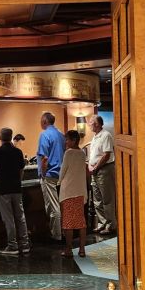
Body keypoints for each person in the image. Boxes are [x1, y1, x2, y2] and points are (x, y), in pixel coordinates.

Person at [0, 127, 30, 256]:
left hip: (3, 189)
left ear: (0, 137)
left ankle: (12, 245)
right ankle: (25, 245)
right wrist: (18, 181)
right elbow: (21, 170)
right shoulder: (18, 152)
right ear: (11, 137)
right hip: (16, 188)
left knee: (8, 218)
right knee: (20, 217)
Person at [37, 111, 65, 243]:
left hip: (49, 174)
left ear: (45, 121)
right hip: (61, 174)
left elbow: (44, 158)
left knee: (53, 207)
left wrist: (43, 174)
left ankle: (57, 235)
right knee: (59, 205)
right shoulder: (61, 134)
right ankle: (62, 231)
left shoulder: (44, 135)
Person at [58, 130, 87, 258]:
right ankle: (82, 249)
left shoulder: (68, 153)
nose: (66, 142)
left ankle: (69, 250)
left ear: (74, 140)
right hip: (80, 191)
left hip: (69, 191)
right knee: (81, 222)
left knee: (68, 223)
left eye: (67, 139)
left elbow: (63, 171)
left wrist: (59, 181)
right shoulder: (82, 153)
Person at [87, 114, 117, 235]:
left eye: (90, 122)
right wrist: (90, 166)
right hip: (95, 171)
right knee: (97, 200)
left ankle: (111, 225)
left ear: (97, 124)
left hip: (104, 170)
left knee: (107, 199)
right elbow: (93, 155)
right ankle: (102, 223)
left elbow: (106, 155)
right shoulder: (95, 137)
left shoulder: (106, 135)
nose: (89, 125)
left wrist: (95, 167)